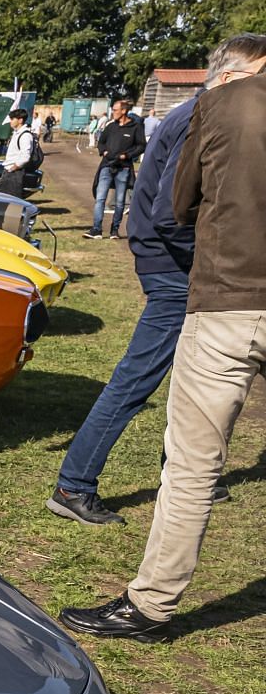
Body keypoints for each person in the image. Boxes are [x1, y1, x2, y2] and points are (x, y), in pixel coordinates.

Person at [59, 33, 266, 636]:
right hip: (188, 277)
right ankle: (75, 483)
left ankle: (148, 600)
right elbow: (167, 208)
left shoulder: (217, 108)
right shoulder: (203, 110)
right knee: (144, 385)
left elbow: (181, 201)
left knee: (188, 457)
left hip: (217, 290)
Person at [88, 98, 143, 238]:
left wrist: (128, 155)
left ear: (124, 111)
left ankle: (114, 230)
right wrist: (104, 151)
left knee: (119, 202)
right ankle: (96, 229)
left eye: (115, 110)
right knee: (100, 198)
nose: (113, 113)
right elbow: (101, 141)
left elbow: (141, 146)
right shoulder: (111, 126)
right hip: (107, 166)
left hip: (123, 169)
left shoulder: (135, 127)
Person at [0, 105, 37, 197]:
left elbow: (25, 156)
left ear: (20, 120)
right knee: (2, 198)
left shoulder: (25, 135)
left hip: (15, 172)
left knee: (12, 200)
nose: (10, 121)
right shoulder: (16, 133)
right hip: (9, 170)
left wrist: (13, 168)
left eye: (12, 119)